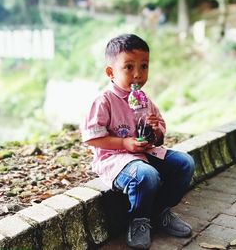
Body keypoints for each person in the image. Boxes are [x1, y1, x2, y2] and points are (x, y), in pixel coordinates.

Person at [81, 34, 195, 249]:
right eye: (128, 67)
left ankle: (160, 212)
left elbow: (160, 136)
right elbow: (93, 138)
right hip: (116, 159)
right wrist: (125, 144)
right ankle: (139, 219)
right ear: (110, 72)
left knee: (185, 163)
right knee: (146, 175)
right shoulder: (103, 101)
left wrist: (154, 130)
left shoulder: (144, 99)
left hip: (146, 153)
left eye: (144, 67)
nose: (137, 74)